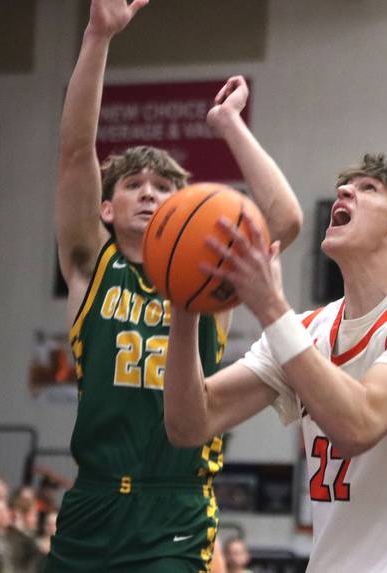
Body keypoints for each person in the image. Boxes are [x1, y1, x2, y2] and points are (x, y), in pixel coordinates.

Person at [47, 0, 302, 570]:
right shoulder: (89, 267)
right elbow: (72, 156)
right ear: (106, 208)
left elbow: (283, 220)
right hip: (92, 499)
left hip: (175, 508)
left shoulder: (210, 278)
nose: (148, 193)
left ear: (183, 205)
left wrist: (230, 125)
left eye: (164, 186)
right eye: (133, 184)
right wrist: (97, 37)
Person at [163, 153, 387, 572]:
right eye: (346, 185)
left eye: (368, 188)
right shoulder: (307, 329)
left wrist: (271, 307)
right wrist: (185, 308)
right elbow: (190, 423)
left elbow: (359, 424)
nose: (345, 190)